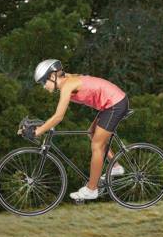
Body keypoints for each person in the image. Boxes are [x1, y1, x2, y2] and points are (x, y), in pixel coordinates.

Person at [29, 57, 130, 202]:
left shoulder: (67, 85)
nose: (44, 86)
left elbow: (58, 117)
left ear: (52, 76)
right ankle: (116, 166)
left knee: (97, 145)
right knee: (92, 133)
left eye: (44, 82)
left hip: (115, 103)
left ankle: (92, 189)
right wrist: (39, 126)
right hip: (109, 103)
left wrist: (38, 131)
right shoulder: (66, 80)